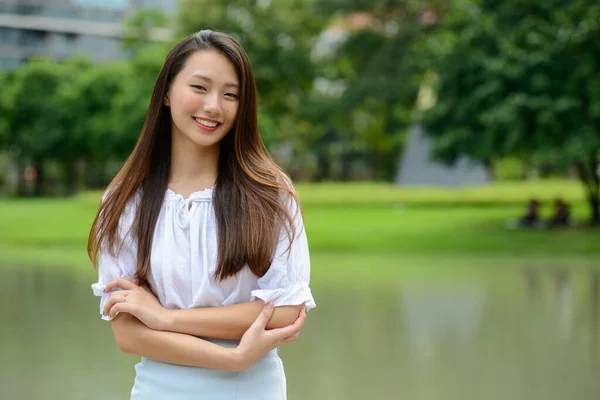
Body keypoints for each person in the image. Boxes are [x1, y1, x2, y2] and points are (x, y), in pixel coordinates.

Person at [88, 30, 316, 400]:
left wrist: (166, 319)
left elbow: (285, 311)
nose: (214, 106)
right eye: (200, 87)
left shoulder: (270, 193)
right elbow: (128, 334)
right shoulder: (127, 200)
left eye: (231, 95)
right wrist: (233, 358)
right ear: (166, 92)